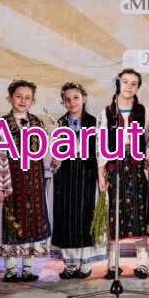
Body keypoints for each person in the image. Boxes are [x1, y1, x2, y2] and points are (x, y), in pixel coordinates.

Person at [98, 69, 149, 279]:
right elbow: (101, 144)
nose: (129, 86)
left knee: (139, 213)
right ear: (118, 84)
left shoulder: (143, 112)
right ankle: (113, 263)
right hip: (114, 165)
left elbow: (148, 140)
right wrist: (101, 172)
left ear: (137, 87)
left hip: (136, 166)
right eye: (125, 82)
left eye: (133, 83)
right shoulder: (107, 112)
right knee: (114, 213)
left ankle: (143, 262)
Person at [0, 79, 51, 282]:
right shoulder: (1, 123)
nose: (23, 100)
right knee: (12, 222)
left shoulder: (38, 123)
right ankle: (11, 269)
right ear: (9, 98)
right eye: (18, 96)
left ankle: (28, 267)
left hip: (34, 180)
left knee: (33, 222)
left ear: (33, 101)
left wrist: (52, 163)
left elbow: (45, 153)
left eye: (27, 97)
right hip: (12, 179)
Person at [53, 82, 106, 279]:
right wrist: (54, 158)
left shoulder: (95, 122)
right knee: (66, 218)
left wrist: (101, 176)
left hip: (87, 173)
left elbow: (101, 151)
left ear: (84, 98)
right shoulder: (58, 124)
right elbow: (51, 152)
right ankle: (70, 264)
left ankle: (85, 263)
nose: (72, 102)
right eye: (67, 99)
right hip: (65, 175)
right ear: (63, 102)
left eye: (75, 97)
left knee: (86, 217)